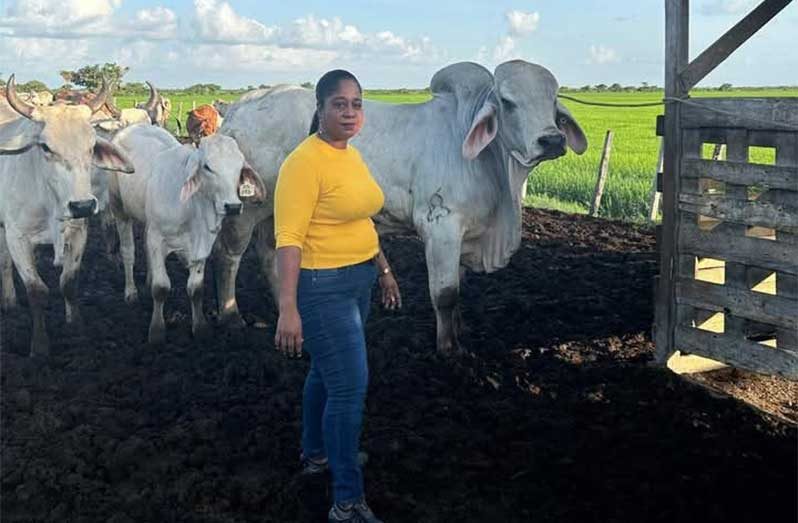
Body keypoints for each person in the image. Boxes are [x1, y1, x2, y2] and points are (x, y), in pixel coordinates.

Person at [274, 69, 402, 523]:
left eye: (356, 104)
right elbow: (288, 239)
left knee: (326, 377)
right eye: (339, 104)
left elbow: (363, 220)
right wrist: (287, 308)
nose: (349, 112)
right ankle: (346, 501)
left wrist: (383, 269)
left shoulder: (349, 155)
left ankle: (317, 455)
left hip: (358, 280)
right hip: (321, 286)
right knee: (350, 387)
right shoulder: (303, 163)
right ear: (320, 109)